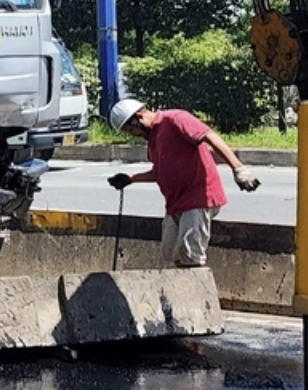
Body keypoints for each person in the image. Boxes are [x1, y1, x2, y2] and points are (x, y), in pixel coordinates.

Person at [106, 99, 261, 268]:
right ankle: (174, 293)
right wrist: (130, 178)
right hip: (175, 204)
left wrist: (238, 168)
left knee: (190, 256)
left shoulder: (174, 119)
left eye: (131, 129)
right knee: (169, 255)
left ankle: (196, 292)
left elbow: (210, 136)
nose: (133, 134)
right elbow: (161, 172)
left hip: (197, 198)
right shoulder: (153, 141)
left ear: (139, 117)